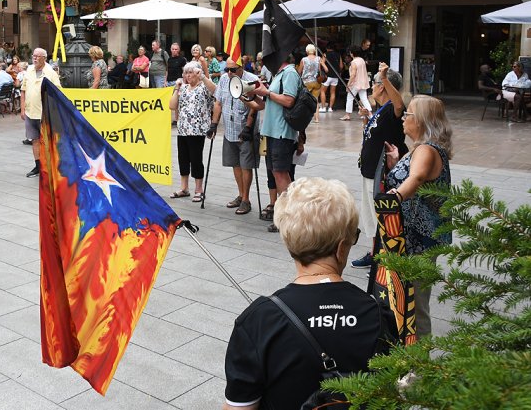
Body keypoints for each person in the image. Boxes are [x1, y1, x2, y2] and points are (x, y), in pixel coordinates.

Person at [223, 177, 398, 410]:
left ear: (289, 242)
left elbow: (240, 406)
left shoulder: (258, 320)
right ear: (341, 247)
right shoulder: (376, 313)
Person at [384, 95, 453, 337]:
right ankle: (411, 358)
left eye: (409, 113)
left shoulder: (426, 149)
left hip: (417, 241)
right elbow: (414, 177)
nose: (403, 117)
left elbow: (417, 178)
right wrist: (395, 165)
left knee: (415, 305)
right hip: (411, 238)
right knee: (407, 300)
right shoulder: (421, 148)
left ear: (421, 120)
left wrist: (395, 198)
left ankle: (419, 367)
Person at [350, 64, 408, 269]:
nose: (372, 87)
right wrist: (366, 117)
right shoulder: (381, 110)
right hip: (369, 170)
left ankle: (383, 258)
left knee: (381, 215)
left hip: (381, 173)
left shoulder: (393, 108)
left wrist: (384, 77)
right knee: (371, 216)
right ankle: (376, 253)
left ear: (382, 86)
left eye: (375, 83)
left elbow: (400, 104)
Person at [209, 58, 264, 214]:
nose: (229, 73)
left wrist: (248, 127)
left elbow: (256, 106)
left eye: (233, 70)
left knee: (246, 165)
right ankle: (240, 195)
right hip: (230, 129)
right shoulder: (224, 79)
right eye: (227, 69)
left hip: (245, 130)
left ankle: (246, 200)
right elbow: (218, 102)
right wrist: (214, 124)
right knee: (235, 163)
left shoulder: (252, 80)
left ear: (241, 68)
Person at [253, 54, 301, 232]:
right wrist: (254, 95)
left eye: (265, 59)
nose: (263, 63)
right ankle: (286, 214)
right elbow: (267, 104)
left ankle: (289, 217)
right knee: (277, 173)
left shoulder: (289, 73)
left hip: (282, 132)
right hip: (272, 131)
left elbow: (289, 100)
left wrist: (267, 92)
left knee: (281, 174)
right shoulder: (278, 74)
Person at [168, 61, 217, 203]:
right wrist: (177, 88)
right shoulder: (182, 88)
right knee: (183, 159)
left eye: (191, 72)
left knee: (196, 159)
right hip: (183, 129)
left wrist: (203, 77)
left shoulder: (204, 87)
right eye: (186, 73)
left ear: (197, 73)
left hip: (198, 130)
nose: (188, 75)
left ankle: (199, 189)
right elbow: (172, 106)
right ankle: (184, 188)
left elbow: (215, 91)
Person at [21, 47, 61, 177]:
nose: (35, 58)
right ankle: (38, 166)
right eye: (34, 55)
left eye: (38, 56)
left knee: (48, 141)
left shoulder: (51, 73)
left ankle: (50, 167)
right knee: (35, 140)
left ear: (44, 58)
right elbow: (23, 90)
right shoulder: (29, 70)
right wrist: (22, 109)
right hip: (30, 112)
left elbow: (58, 92)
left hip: (45, 113)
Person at [297, 44, 326, 124]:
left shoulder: (303, 60)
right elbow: (319, 71)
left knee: (304, 100)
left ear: (306, 51)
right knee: (315, 101)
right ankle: (317, 119)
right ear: (314, 51)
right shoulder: (318, 59)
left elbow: (299, 72)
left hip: (306, 82)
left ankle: (303, 117)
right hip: (316, 82)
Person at [340, 46, 371, 121]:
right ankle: (370, 113)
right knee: (364, 98)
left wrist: (348, 84)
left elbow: (353, 75)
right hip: (363, 82)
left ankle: (347, 115)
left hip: (355, 83)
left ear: (352, 53)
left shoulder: (353, 62)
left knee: (350, 98)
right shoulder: (362, 60)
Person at [320, 43, 343, 113]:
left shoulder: (325, 54)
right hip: (335, 76)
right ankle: (330, 108)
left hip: (327, 76)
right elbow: (341, 66)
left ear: (327, 48)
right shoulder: (338, 55)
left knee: (322, 91)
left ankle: (323, 108)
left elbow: (322, 62)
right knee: (332, 92)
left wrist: (326, 68)